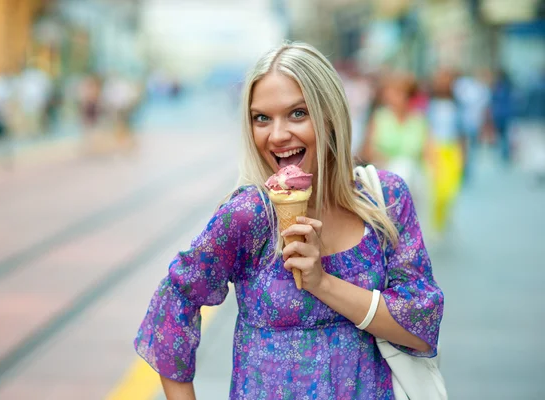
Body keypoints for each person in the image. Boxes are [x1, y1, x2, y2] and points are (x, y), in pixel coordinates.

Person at [134, 42, 444, 399]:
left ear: (329, 115)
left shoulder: (385, 199)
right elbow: (175, 302)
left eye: (297, 113)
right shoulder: (248, 216)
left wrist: (321, 282)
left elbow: (421, 326)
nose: (277, 135)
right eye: (261, 118)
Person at [360, 72, 433, 230]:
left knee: (406, 168)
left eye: (397, 93)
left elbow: (428, 154)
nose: (391, 97)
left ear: (408, 96)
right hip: (385, 178)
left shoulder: (419, 121)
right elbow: (367, 152)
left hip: (413, 180)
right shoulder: (379, 118)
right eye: (389, 93)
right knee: (401, 168)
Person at [427, 69, 464, 235]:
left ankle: (446, 214)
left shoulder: (456, 104)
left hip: (452, 149)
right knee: (438, 189)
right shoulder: (430, 104)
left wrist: (463, 152)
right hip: (436, 149)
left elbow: (461, 130)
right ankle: (437, 221)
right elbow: (426, 129)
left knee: (451, 188)